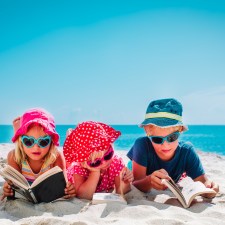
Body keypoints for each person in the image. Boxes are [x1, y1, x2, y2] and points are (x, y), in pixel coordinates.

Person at [127, 98, 219, 197]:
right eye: (157, 139)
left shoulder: (187, 151)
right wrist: (149, 181)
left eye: (172, 137)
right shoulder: (142, 145)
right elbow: (135, 184)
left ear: (180, 130)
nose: (165, 145)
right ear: (147, 132)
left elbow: (203, 182)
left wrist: (211, 188)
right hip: (136, 168)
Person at [1, 108, 76, 200]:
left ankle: (70, 140)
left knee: (70, 165)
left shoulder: (56, 156)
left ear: (51, 141)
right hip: (21, 150)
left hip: (54, 160)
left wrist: (69, 189)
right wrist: (8, 189)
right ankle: (19, 132)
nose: (36, 147)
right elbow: (13, 184)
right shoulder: (14, 156)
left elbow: (64, 186)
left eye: (44, 142)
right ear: (21, 141)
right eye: (28, 141)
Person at [63, 121, 133, 200]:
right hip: (72, 174)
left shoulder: (115, 162)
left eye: (108, 155)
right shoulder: (79, 168)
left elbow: (122, 191)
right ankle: (70, 138)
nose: (104, 162)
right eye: (96, 162)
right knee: (69, 166)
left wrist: (125, 180)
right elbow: (83, 196)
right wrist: (95, 172)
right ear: (84, 163)